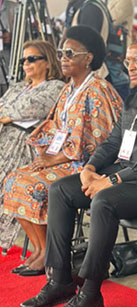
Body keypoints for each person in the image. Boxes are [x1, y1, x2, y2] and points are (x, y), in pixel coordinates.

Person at [19, 38, 137, 307]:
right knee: (61, 190)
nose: (130, 66)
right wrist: (90, 168)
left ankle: (91, 294)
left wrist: (113, 180)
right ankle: (60, 280)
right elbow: (114, 139)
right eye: (128, 61)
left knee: (105, 200)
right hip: (132, 176)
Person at [3, 26, 122, 276]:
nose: (63, 58)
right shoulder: (69, 89)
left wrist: (54, 159)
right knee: (12, 179)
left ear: (88, 58)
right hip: (63, 159)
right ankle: (38, 248)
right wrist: (44, 152)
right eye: (60, 52)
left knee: (32, 185)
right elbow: (56, 125)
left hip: (89, 166)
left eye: (69, 53)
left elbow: (98, 141)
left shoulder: (98, 89)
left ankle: (48, 253)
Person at [0, 40, 65, 252]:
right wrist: (9, 115)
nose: (26, 63)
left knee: (12, 181)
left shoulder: (55, 87)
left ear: (47, 62)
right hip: (6, 140)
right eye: (23, 59)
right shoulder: (18, 87)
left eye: (32, 58)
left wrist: (8, 114)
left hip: (29, 146)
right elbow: (7, 110)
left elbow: (27, 108)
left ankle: (41, 249)